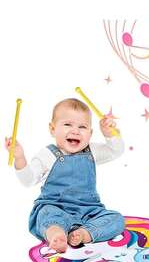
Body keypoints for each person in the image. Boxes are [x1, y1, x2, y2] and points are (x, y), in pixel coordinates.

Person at [5, 98, 125, 253]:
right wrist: (20, 157)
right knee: (46, 214)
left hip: (89, 210)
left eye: (82, 127)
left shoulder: (92, 151)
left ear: (90, 133)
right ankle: (57, 234)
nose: (75, 131)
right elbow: (28, 180)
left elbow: (116, 150)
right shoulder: (48, 155)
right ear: (52, 129)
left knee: (117, 219)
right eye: (68, 124)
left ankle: (84, 233)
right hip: (55, 207)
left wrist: (109, 134)